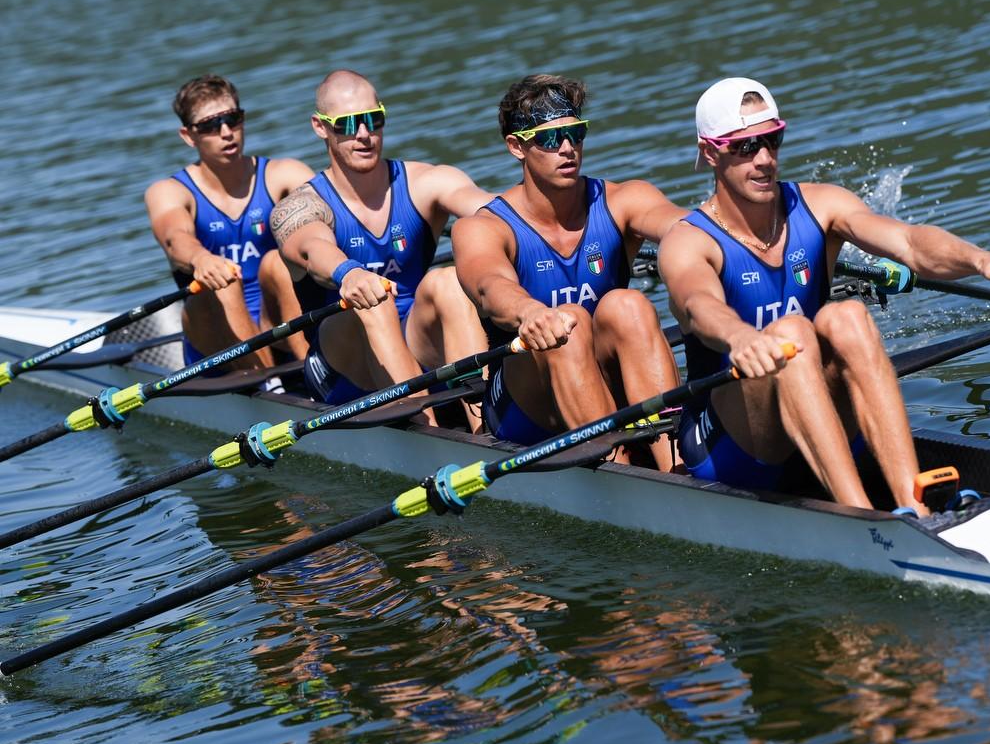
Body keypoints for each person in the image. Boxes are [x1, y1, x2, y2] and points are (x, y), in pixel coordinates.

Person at [657, 77, 990, 515]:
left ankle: (912, 504)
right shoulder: (688, 241)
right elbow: (697, 304)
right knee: (794, 330)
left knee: (848, 316)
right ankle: (859, 515)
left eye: (771, 140)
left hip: (815, 411)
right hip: (732, 448)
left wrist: (979, 259)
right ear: (710, 152)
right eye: (744, 147)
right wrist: (740, 338)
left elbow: (910, 243)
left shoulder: (823, 206)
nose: (764, 159)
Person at [452, 74, 682, 471]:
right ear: (516, 147)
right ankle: (622, 471)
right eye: (547, 139)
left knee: (628, 303)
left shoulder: (624, 199)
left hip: (601, 375)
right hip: (525, 405)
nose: (566, 148)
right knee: (571, 320)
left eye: (575, 133)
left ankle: (675, 467)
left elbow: (684, 227)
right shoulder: (482, 228)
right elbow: (491, 286)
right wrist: (529, 313)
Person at [268, 70, 490, 428]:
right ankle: (427, 435)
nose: (363, 134)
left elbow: (489, 208)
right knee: (374, 301)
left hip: (417, 340)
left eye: (373, 120)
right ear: (320, 127)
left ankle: (485, 425)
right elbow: (311, 246)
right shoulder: (300, 206)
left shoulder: (427, 182)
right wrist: (349, 272)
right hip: (343, 365)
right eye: (347, 124)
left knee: (447, 281)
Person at [146, 74, 314, 370]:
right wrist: (201, 259)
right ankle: (269, 384)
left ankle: (317, 372)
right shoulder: (169, 192)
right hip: (216, 342)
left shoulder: (284, 175)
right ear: (188, 136)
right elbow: (175, 238)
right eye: (210, 125)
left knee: (278, 261)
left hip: (278, 323)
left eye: (232, 119)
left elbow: (335, 215)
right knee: (221, 277)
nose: (226, 132)